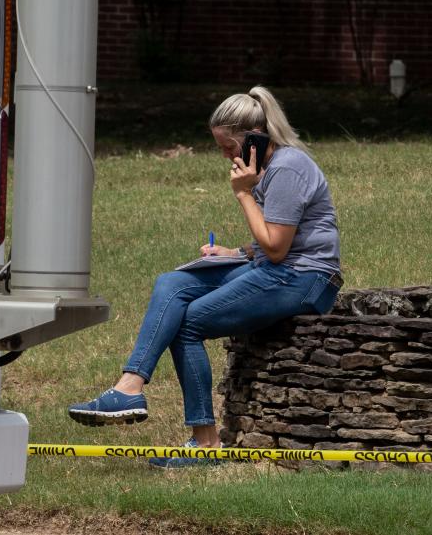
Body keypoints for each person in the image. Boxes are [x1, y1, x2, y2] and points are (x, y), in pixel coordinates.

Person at [67, 86, 342, 467]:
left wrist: (244, 194)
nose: (226, 156)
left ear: (255, 137)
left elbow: (280, 248)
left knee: (188, 324)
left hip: (304, 278)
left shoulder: (287, 167)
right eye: (222, 148)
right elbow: (274, 240)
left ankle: (207, 444)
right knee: (172, 282)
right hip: (275, 266)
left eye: (229, 147)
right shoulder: (268, 167)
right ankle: (130, 386)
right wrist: (235, 253)